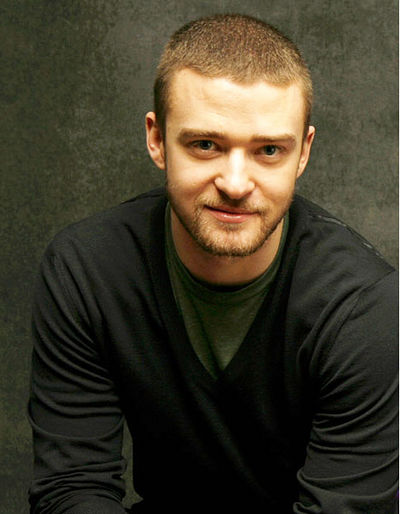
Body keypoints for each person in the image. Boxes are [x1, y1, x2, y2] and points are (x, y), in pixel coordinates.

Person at [28, 13, 398, 514]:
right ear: (157, 139)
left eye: (269, 150)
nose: (236, 184)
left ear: (303, 154)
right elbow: (71, 488)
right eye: (206, 145)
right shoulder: (87, 270)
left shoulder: (366, 307)